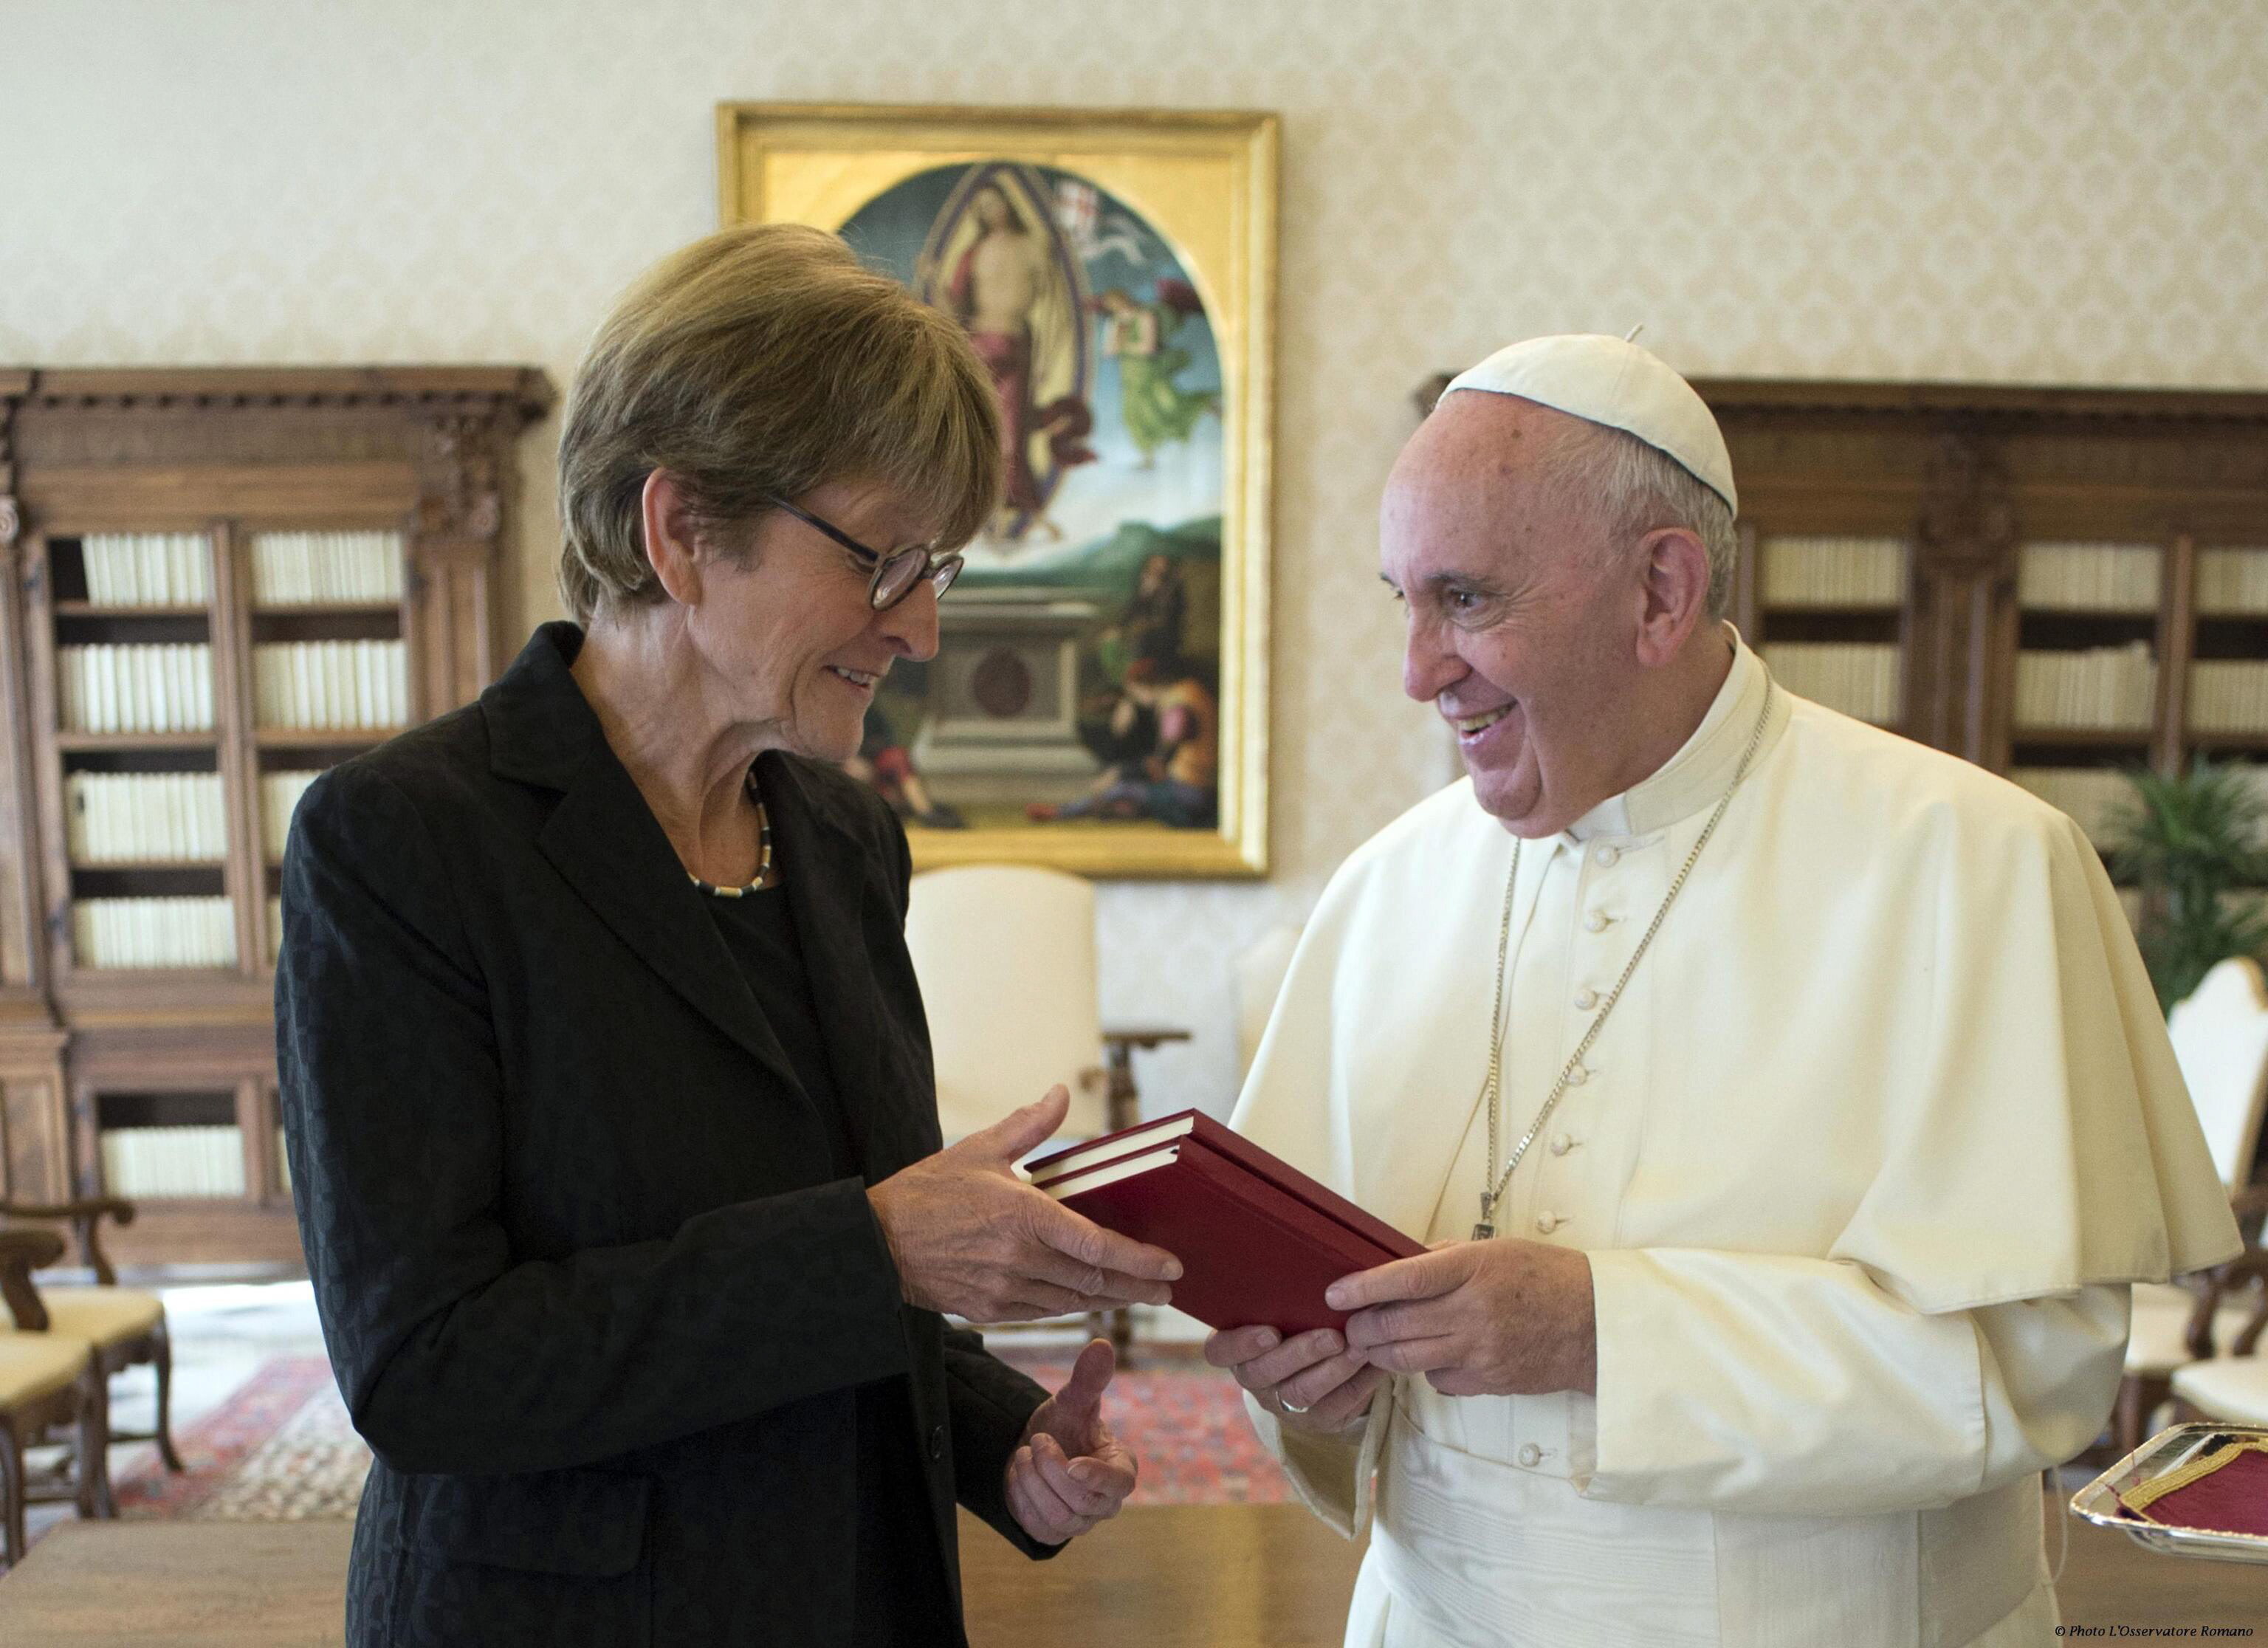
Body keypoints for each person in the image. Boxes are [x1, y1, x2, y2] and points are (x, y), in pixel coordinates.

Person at [1203, 334, 2241, 1647]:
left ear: (1661, 591)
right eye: (1400, 600)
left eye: (1464, 599)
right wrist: (1312, 1385)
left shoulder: (1972, 866)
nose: (1416, 669)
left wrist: (1604, 1331)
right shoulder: (1389, 886)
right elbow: (1308, 1334)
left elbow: (2030, 1376)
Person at [277, 223, 1182, 1648]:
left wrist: (1002, 1442)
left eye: (937, 564)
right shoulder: (403, 844)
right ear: (681, 530)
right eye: (887, 561)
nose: (927, 628)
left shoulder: (845, 840)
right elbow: (428, 1371)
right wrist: (879, 1245)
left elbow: (845, 1277)